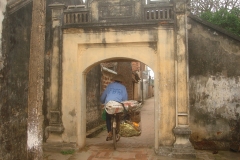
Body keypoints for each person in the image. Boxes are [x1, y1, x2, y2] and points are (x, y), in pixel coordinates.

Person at [100, 74, 128, 141]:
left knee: (108, 118)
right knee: (120, 115)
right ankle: (119, 129)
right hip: (118, 106)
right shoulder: (123, 87)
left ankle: (109, 132)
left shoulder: (109, 86)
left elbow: (103, 97)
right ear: (121, 81)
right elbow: (125, 99)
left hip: (109, 105)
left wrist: (102, 101)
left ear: (114, 80)